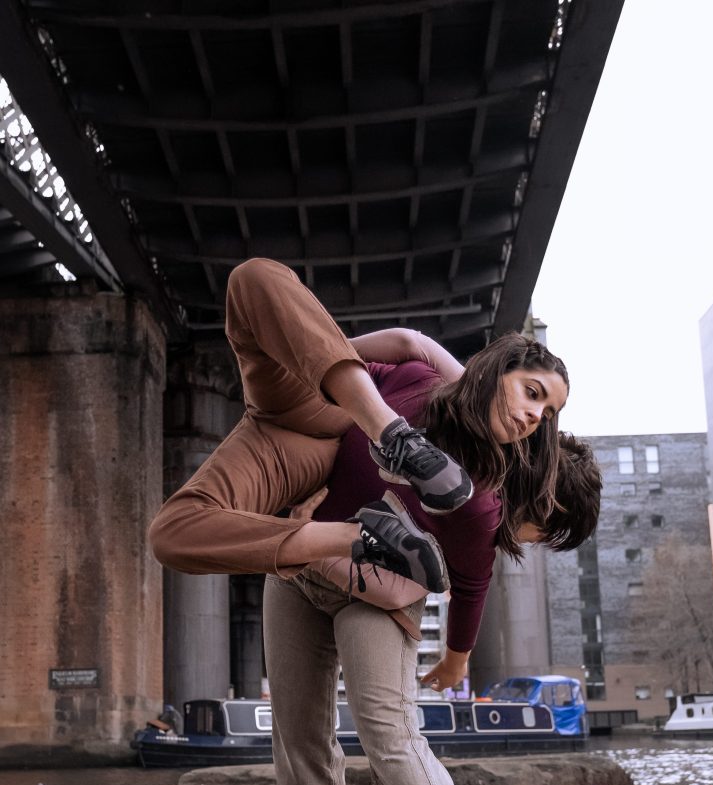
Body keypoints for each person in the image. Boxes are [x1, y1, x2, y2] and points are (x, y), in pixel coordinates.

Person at [149, 259, 570, 691]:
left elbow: (472, 587)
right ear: (498, 374)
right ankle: (390, 434)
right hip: (306, 403)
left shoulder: (478, 494)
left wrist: (454, 662)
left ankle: (363, 536)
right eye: (532, 393)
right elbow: (408, 341)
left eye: (547, 414)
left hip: (307, 449)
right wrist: (308, 346)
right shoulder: (429, 381)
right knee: (252, 277)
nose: (535, 414)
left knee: (170, 535)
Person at [266, 434, 601, 785]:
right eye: (549, 529)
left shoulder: (481, 514)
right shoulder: (442, 434)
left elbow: (472, 585)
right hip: (299, 566)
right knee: (295, 724)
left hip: (379, 593)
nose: (538, 541)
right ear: (544, 496)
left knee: (390, 732)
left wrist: (455, 660)